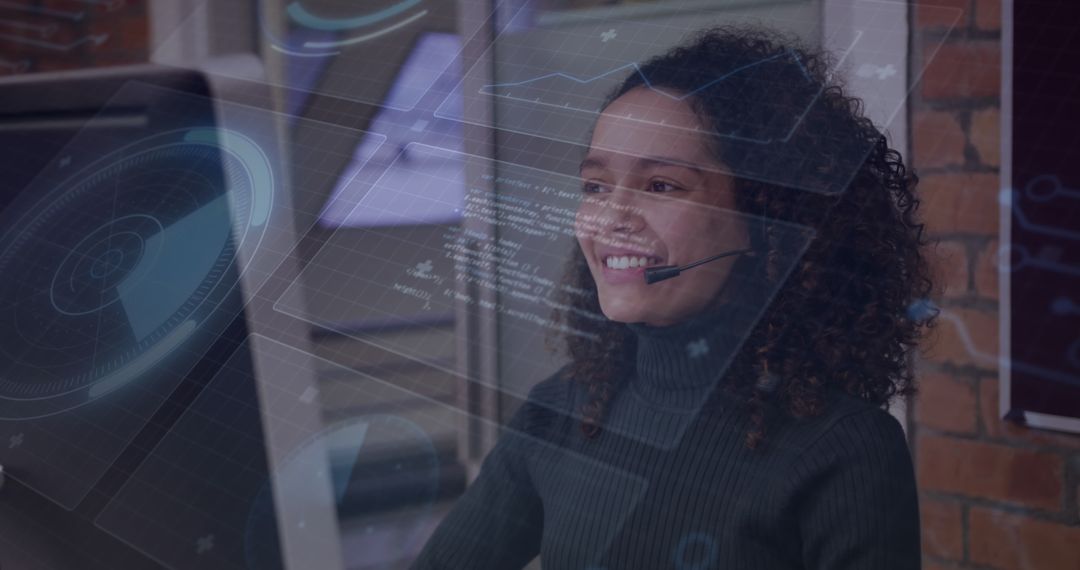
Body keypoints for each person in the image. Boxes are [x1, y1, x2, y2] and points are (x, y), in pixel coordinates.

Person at [411, 26, 934, 570]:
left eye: (661, 186)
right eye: (595, 186)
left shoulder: (844, 448)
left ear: (768, 219)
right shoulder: (562, 410)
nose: (612, 219)